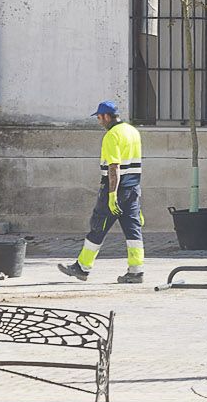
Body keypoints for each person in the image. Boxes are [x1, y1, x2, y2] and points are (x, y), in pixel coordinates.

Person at [62, 102, 145, 283]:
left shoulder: (111, 135)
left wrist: (112, 194)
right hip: (132, 190)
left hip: (115, 190)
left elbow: (114, 167)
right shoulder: (133, 132)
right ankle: (136, 272)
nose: (99, 121)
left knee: (98, 225)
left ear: (107, 116)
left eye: (99, 117)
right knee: (133, 230)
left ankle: (82, 267)